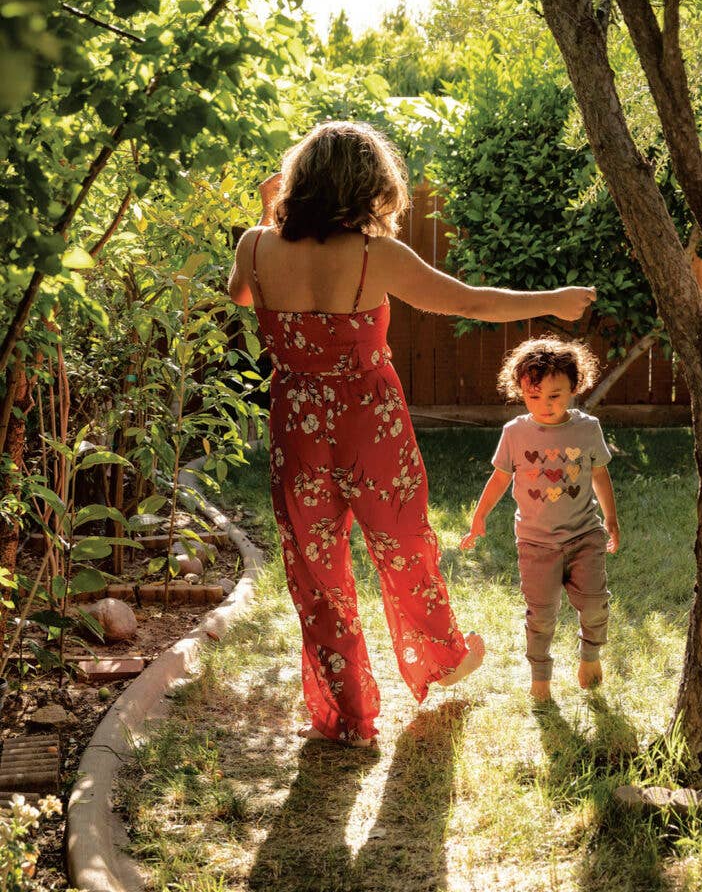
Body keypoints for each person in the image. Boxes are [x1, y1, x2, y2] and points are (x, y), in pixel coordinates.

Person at [228, 120, 596, 745]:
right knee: (402, 545)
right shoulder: (375, 254)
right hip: (371, 422)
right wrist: (552, 299)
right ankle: (440, 659)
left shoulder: (254, 247)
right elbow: (470, 302)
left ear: (301, 179)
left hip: (298, 423)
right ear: (367, 185)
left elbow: (241, 297)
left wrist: (265, 216)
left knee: (315, 568)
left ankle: (348, 713)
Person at [460, 336, 618, 702]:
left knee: (595, 603)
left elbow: (599, 474)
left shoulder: (587, 428)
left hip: (584, 536)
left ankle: (590, 655)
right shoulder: (514, 433)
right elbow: (500, 477)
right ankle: (540, 677)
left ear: (574, 388)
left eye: (555, 395)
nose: (545, 406)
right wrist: (479, 517)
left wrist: (611, 519)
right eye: (534, 396)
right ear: (520, 392)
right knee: (541, 614)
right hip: (535, 542)